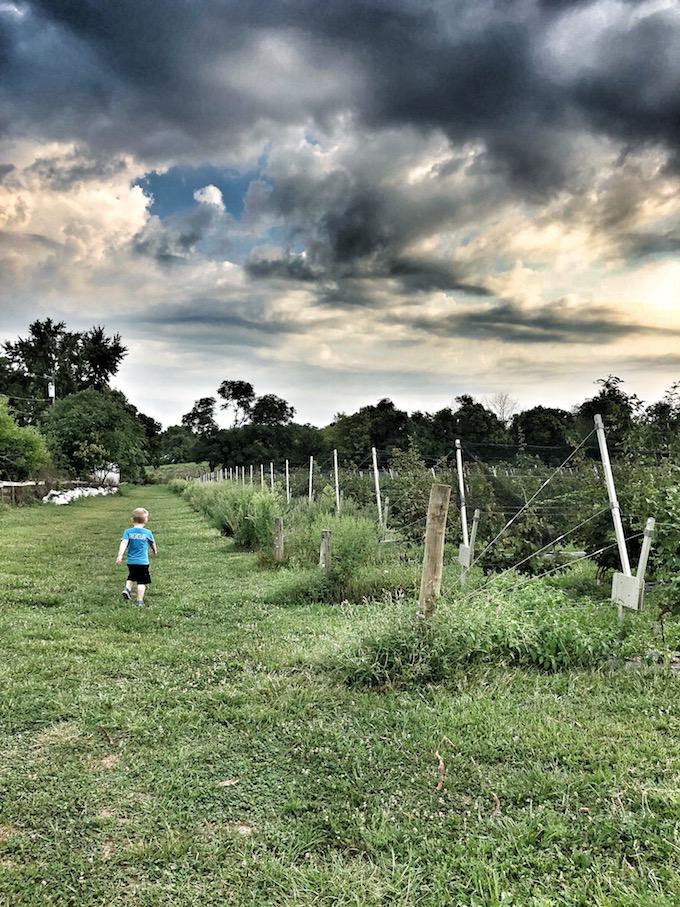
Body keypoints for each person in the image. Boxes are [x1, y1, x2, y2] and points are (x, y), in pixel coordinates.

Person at [116, 507, 157, 606]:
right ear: (146, 520)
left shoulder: (128, 532)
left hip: (131, 562)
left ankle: (127, 589)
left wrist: (120, 555)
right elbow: (152, 543)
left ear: (132, 520)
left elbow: (124, 543)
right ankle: (139, 601)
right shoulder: (148, 533)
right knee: (141, 582)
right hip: (143, 562)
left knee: (131, 576)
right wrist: (154, 550)